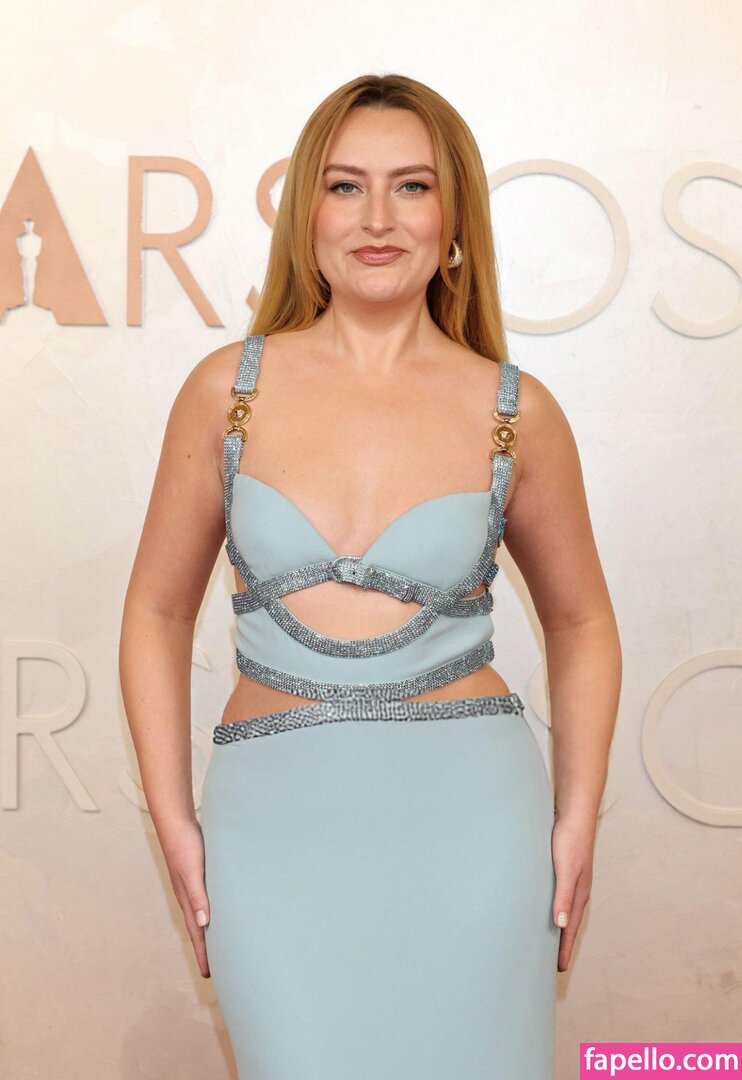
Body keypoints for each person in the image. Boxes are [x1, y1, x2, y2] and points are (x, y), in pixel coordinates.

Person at [119, 73, 621, 1080]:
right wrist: (174, 819)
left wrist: (575, 819)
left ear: (455, 220)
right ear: (305, 215)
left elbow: (581, 624)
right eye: (345, 186)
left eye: (412, 186)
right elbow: (156, 612)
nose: (378, 218)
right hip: (272, 828)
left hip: (476, 827)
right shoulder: (226, 392)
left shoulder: (516, 412)